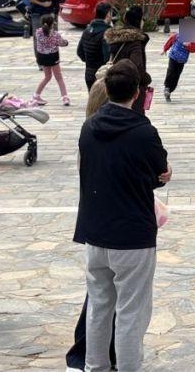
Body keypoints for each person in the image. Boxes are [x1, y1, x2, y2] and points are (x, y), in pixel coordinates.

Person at [76, 60, 170, 372]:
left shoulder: (88, 128)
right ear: (137, 92)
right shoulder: (143, 132)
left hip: (96, 232)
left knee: (99, 307)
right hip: (132, 235)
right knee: (131, 312)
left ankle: (95, 367)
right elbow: (161, 172)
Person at [105, 6, 151, 114]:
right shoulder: (135, 42)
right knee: (135, 118)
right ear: (139, 21)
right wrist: (146, 79)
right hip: (131, 88)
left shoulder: (115, 38)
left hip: (114, 84)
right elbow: (137, 67)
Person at [32, 14, 70, 106]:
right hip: (53, 56)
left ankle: (36, 96)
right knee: (59, 77)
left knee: (47, 77)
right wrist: (66, 42)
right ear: (52, 24)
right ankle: (65, 97)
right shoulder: (55, 34)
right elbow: (62, 43)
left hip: (42, 57)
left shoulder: (38, 33)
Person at [76, 2, 112, 90]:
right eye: (111, 13)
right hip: (101, 74)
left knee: (93, 101)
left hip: (88, 73)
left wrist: (89, 61)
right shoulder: (106, 32)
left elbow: (79, 52)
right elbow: (107, 56)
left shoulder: (87, 30)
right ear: (107, 14)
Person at [161, 29, 195, 103]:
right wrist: (165, 49)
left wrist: (188, 46)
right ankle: (167, 87)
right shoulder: (177, 36)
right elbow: (170, 42)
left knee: (177, 74)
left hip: (182, 60)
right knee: (171, 71)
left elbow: (194, 49)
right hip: (173, 57)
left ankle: (170, 90)